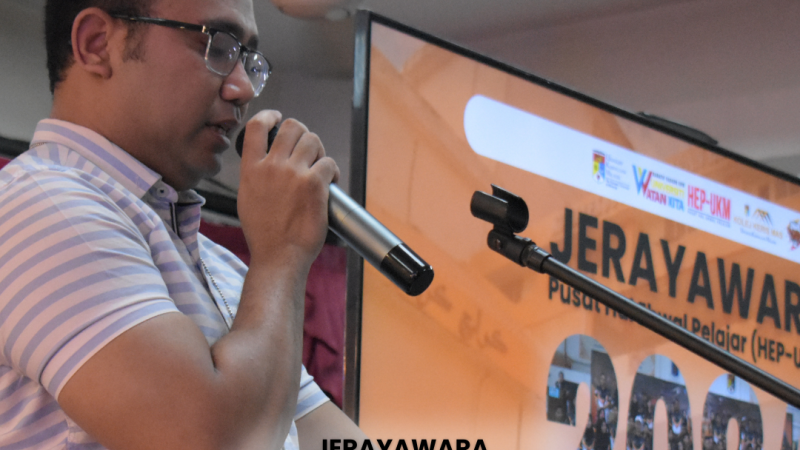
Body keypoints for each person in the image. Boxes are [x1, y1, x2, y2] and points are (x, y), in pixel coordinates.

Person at [0, 0, 367, 448]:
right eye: (218, 46)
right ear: (96, 44)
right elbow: (212, 441)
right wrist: (284, 253)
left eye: (248, 59)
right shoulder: (40, 204)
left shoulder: (224, 267)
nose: (243, 88)